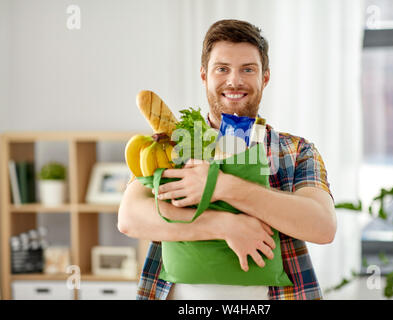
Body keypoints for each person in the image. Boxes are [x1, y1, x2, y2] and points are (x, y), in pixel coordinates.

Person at [118, 19, 336, 300]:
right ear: (204, 76)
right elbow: (130, 218)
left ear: (265, 77)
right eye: (222, 69)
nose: (234, 80)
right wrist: (224, 225)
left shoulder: (295, 152)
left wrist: (219, 185)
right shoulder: (173, 144)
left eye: (248, 69)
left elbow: (322, 226)